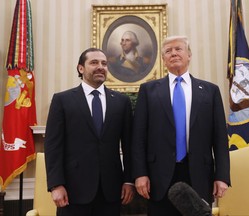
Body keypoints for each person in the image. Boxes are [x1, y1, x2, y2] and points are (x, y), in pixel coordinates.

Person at [131, 36, 231, 216]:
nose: (173, 53)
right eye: (168, 51)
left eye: (178, 49)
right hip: (158, 176)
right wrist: (140, 174)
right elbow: (138, 137)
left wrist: (222, 176)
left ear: (189, 55)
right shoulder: (148, 90)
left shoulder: (210, 91)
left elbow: (220, 139)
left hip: (199, 174)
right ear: (163, 59)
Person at [44, 47, 135, 216]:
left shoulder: (121, 102)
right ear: (81, 68)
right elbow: (53, 146)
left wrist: (129, 180)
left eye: (104, 63)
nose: (100, 67)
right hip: (72, 190)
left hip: (111, 191)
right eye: (94, 62)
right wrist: (56, 185)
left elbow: (129, 145)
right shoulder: (62, 100)